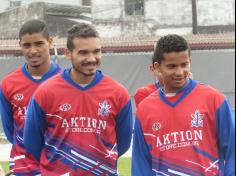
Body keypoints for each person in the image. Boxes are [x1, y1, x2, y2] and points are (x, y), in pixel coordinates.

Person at [23, 23, 133, 175]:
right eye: (83, 53)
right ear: (68, 53)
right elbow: (32, 142)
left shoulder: (118, 93)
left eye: (96, 52)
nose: (91, 58)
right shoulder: (45, 92)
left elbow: (124, 143)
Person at [132, 34, 235, 175]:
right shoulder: (145, 109)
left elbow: (232, 150)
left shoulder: (214, 100)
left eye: (184, 64)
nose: (180, 72)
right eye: (172, 66)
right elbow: (141, 164)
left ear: (190, 61)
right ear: (157, 67)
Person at [0, 19, 61, 175]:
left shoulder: (65, 82)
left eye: (39, 44)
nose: (33, 51)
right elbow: (9, 130)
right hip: (23, 168)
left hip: (58, 168)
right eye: (27, 45)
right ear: (19, 44)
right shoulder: (8, 83)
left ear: (50, 42)